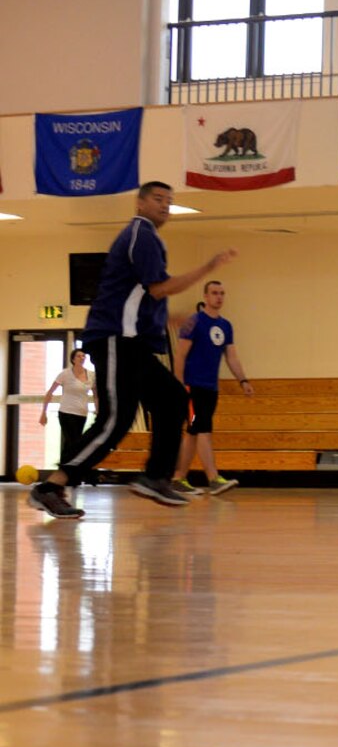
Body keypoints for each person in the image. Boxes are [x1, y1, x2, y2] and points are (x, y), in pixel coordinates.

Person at [29, 182, 236, 518]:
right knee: (114, 421)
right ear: (139, 204)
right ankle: (51, 487)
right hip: (114, 339)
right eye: (158, 199)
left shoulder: (149, 240)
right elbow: (157, 288)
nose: (165, 206)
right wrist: (209, 267)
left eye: (170, 201)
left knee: (171, 399)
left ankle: (155, 477)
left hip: (133, 344)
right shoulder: (141, 235)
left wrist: (169, 317)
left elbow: (138, 296)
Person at [171, 279, 252, 496]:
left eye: (222, 293)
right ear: (206, 296)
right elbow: (180, 355)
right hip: (192, 386)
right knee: (203, 429)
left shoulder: (226, 326)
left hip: (210, 387)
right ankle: (213, 478)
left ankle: (178, 478)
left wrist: (243, 380)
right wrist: (179, 384)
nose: (219, 297)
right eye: (215, 293)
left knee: (193, 432)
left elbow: (231, 356)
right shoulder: (194, 322)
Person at [38, 348, 95, 483]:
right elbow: (50, 393)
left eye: (83, 356)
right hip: (66, 412)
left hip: (82, 413)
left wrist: (97, 410)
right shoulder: (65, 374)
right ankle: (70, 477)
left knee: (72, 444)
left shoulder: (91, 375)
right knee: (73, 443)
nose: (82, 358)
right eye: (79, 356)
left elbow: (96, 395)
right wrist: (43, 413)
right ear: (73, 359)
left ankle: (64, 475)